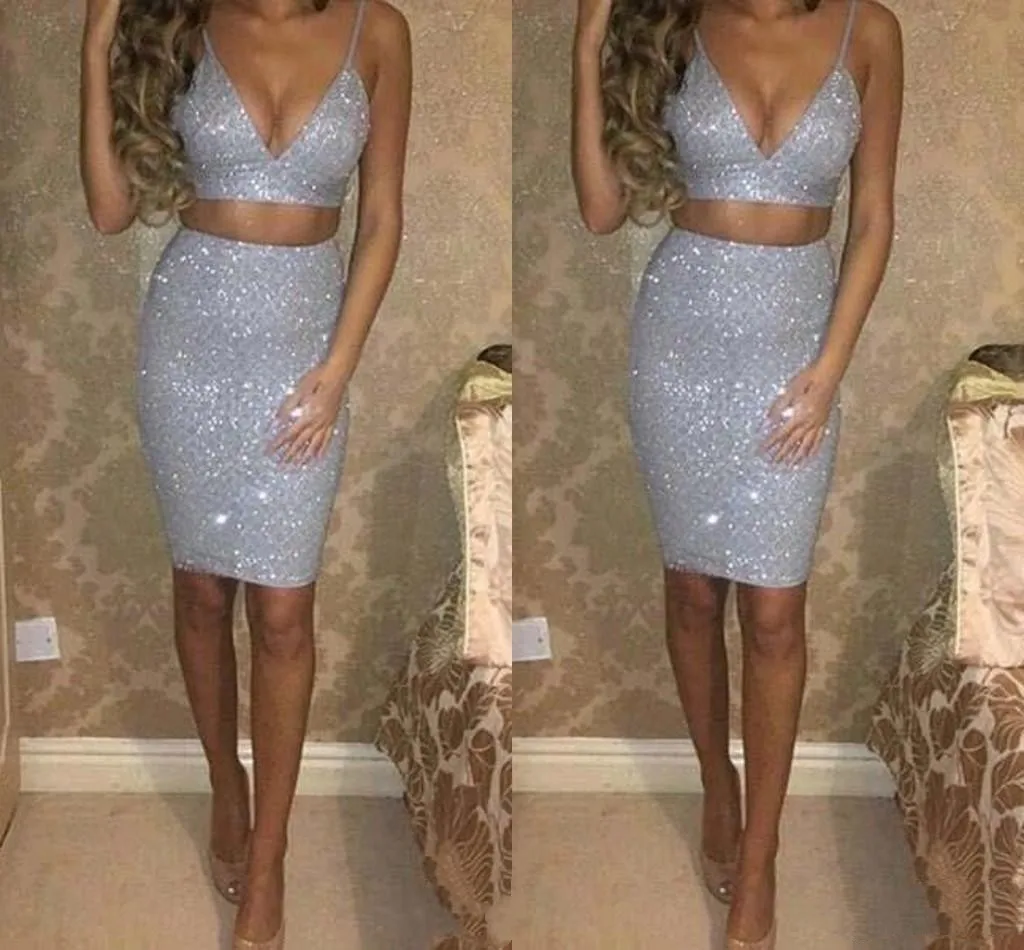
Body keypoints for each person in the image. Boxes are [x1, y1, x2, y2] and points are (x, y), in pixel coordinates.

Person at [79, 0, 411, 946]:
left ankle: (270, 855)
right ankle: (225, 781)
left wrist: (339, 368)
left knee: (283, 611)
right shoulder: (179, 22)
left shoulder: (379, 30)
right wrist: (98, 40)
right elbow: (109, 210)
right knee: (199, 591)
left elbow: (383, 217)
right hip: (189, 339)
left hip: (305, 345)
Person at [571, 0, 902, 946]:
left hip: (797, 346)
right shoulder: (672, 22)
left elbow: (874, 218)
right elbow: (600, 210)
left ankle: (761, 855)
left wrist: (829, 370)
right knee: (691, 591)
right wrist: (589, 39)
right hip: (681, 339)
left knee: (774, 611)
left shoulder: (870, 30)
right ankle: (716, 781)